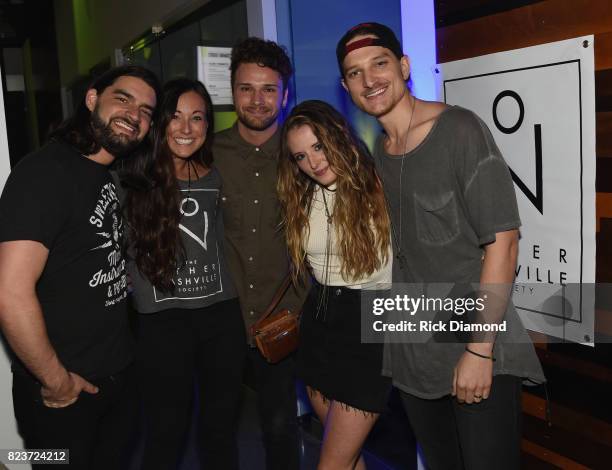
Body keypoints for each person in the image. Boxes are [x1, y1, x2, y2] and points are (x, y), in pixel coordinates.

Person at [337, 22, 546, 470]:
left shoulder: (459, 130)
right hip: (414, 353)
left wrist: (478, 350)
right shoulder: (379, 152)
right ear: (346, 86)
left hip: (476, 344)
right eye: (355, 73)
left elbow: (504, 244)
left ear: (404, 66)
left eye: (379, 64)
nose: (369, 79)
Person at [0, 65, 160, 469]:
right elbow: (9, 291)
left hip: (116, 378)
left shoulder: (107, 174)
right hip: (60, 395)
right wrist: (56, 382)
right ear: (92, 99)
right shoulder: (43, 172)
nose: (134, 114)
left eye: (146, 110)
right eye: (122, 98)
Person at [117, 78, 245, 470]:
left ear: (208, 125)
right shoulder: (129, 179)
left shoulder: (219, 175)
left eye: (197, 118)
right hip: (161, 324)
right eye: (175, 117)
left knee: (220, 430)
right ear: (158, 123)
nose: (186, 129)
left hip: (221, 319)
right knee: (166, 432)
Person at [278, 100, 392, 470]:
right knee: (347, 457)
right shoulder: (303, 195)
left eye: (318, 146)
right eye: (300, 156)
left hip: (371, 324)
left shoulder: (381, 183)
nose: (312, 162)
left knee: (332, 464)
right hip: (320, 322)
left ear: (339, 134)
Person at [213, 37, 307, 470]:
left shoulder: (304, 156)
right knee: (217, 429)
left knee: (279, 427)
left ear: (285, 93)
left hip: (284, 319)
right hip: (221, 320)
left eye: (268, 89)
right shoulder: (205, 154)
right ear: (232, 91)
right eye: (246, 88)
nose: (257, 99)